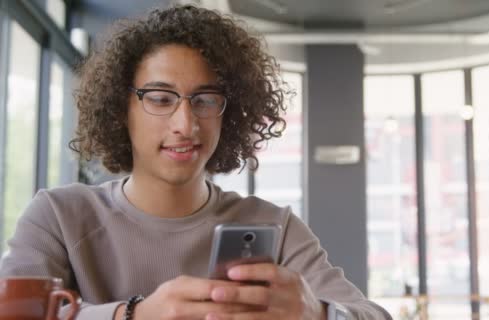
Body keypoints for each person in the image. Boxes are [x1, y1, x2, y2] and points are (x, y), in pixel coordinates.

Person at [0, 5, 392, 320]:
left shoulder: (275, 226)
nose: (186, 125)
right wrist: (131, 315)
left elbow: (372, 315)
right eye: (160, 98)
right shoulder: (59, 216)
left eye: (204, 99)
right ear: (122, 109)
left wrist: (318, 312)